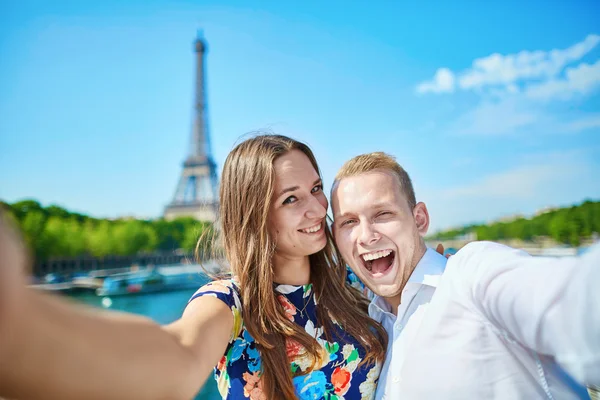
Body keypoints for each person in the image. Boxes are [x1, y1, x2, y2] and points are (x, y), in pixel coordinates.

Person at [0, 134, 387, 400]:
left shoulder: (353, 282)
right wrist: (20, 330)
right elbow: (177, 355)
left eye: (317, 188)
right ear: (254, 215)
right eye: (291, 199)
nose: (318, 209)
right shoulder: (229, 304)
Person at [330, 151, 600, 399]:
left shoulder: (472, 275)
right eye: (349, 222)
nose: (366, 236)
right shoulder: (372, 324)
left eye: (383, 213)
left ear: (420, 219)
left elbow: (576, 306)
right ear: (336, 238)